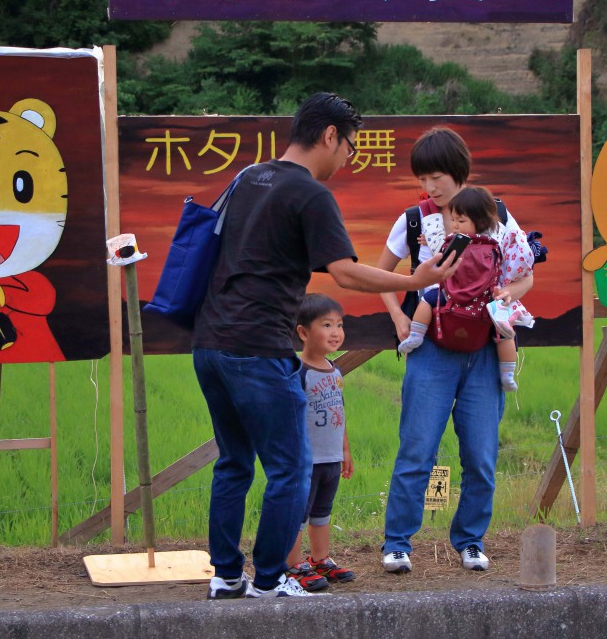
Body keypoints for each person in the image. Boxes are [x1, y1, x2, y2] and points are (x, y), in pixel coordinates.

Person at [195, 94, 461, 600]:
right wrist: (415, 276)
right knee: (291, 468)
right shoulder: (310, 194)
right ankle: (272, 579)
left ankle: (228, 576)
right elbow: (343, 271)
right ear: (329, 136)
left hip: (211, 342)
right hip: (258, 347)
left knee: (233, 463)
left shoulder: (249, 177)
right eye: (348, 148)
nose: (348, 160)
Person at [376, 127, 534, 575]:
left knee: (481, 456)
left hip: (484, 348)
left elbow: (526, 274)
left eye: (438, 176)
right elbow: (382, 274)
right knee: (417, 449)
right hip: (432, 350)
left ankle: (470, 540)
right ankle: (397, 543)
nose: (431, 187)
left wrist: (505, 294)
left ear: (460, 171)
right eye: (423, 178)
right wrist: (400, 317)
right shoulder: (413, 218)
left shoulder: (496, 213)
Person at [397, 185, 535, 392]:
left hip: (456, 295)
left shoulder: (460, 243)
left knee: (427, 300)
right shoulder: (492, 245)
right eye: (453, 220)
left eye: (460, 221)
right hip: (486, 301)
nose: (454, 225)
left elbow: (444, 262)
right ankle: (507, 372)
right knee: (505, 332)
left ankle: (417, 334)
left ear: (480, 222)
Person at [284, 293, 356, 592]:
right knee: (299, 513)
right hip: (306, 459)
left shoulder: (335, 370)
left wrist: (345, 450)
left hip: (330, 457)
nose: (336, 332)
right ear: (303, 332)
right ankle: (292, 564)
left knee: (322, 511)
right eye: (326, 325)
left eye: (339, 325)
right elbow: (288, 417)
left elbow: (339, 410)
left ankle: (319, 558)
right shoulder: (298, 372)